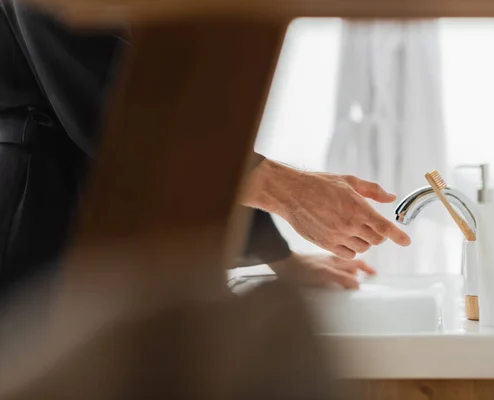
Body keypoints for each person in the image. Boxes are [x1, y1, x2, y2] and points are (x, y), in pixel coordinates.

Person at [0, 2, 411, 295]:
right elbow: (119, 109)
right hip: (39, 226)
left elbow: (166, 118)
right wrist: (286, 191)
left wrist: (278, 252)